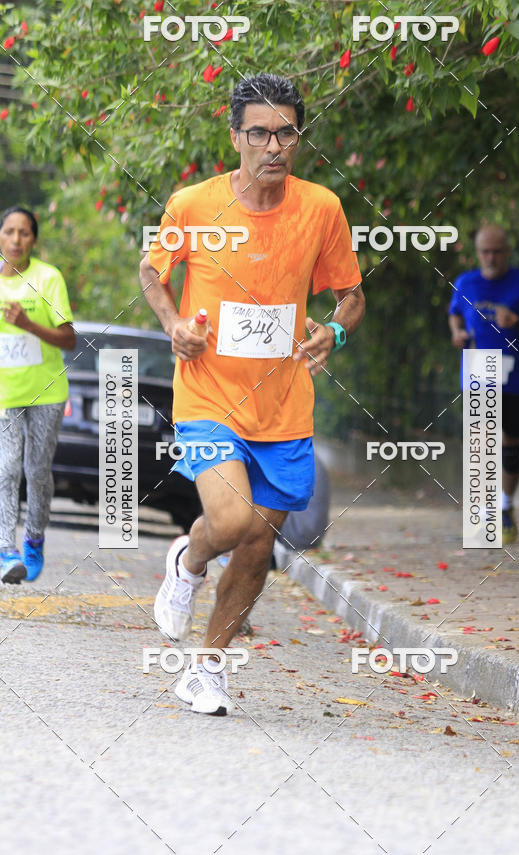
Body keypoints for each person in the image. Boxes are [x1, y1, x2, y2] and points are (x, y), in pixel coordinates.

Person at [140, 73, 365, 716]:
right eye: (260, 132)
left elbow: (351, 295)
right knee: (234, 521)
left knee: (259, 544)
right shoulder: (195, 205)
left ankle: (207, 667)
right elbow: (151, 272)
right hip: (209, 396)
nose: (274, 144)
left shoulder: (320, 208)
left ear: (298, 137)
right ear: (236, 136)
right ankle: (190, 557)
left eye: (286, 132)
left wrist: (336, 333)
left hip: (284, 406)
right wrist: (172, 324)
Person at [448, 224, 519, 543]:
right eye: (485, 251)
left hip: (515, 373)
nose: (491, 257)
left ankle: (505, 507)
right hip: (479, 366)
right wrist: (457, 332)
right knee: (481, 441)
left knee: (510, 442)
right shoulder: (466, 282)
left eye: (497, 251)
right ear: (477, 252)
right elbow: (454, 313)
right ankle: (484, 511)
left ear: (507, 251)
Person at [0, 206, 76, 583]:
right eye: (10, 231)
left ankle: (33, 537)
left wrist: (28, 324)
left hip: (46, 392)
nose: (16, 240)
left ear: (34, 239)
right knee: (7, 467)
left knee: (37, 472)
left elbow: (69, 338)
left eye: (24, 233)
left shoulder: (48, 279)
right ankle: (6, 550)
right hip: (5, 394)